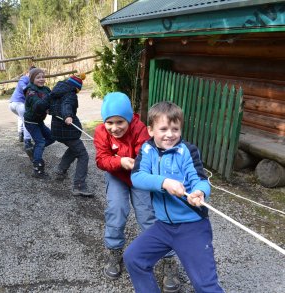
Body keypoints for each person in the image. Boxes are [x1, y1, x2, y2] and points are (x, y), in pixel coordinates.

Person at [125, 101, 224, 293]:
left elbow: (201, 180)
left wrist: (200, 192)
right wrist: (165, 183)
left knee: (205, 285)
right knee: (134, 258)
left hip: (192, 226)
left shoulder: (188, 150)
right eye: (163, 129)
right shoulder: (146, 150)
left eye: (175, 129)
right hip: (163, 226)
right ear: (151, 130)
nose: (170, 134)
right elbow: (137, 177)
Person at [94, 92, 179, 289]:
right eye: (110, 122)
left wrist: (140, 165)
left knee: (148, 216)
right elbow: (101, 159)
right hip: (117, 177)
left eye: (120, 122)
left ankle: (168, 260)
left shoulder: (139, 129)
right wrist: (119, 161)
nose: (114, 128)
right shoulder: (101, 132)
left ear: (130, 118)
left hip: (140, 178)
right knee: (116, 211)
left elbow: (148, 153)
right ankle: (115, 251)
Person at [49, 73, 94, 197]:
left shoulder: (58, 90)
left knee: (75, 149)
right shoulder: (70, 94)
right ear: (76, 88)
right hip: (66, 129)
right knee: (83, 155)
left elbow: (50, 103)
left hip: (57, 130)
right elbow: (66, 105)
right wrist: (67, 115)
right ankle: (79, 186)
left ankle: (61, 169)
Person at [24, 68, 55, 178]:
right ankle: (38, 169)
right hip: (31, 122)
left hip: (39, 121)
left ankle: (33, 150)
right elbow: (37, 105)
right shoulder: (30, 91)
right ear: (32, 79)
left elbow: (53, 99)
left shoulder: (46, 89)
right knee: (40, 142)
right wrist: (47, 104)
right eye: (38, 77)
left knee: (52, 137)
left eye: (43, 77)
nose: (41, 79)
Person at [9, 66, 34, 153]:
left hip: (12, 104)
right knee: (27, 120)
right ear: (28, 73)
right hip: (19, 103)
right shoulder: (25, 78)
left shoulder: (30, 80)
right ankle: (27, 141)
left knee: (21, 117)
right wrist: (27, 89)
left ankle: (20, 133)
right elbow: (22, 84)